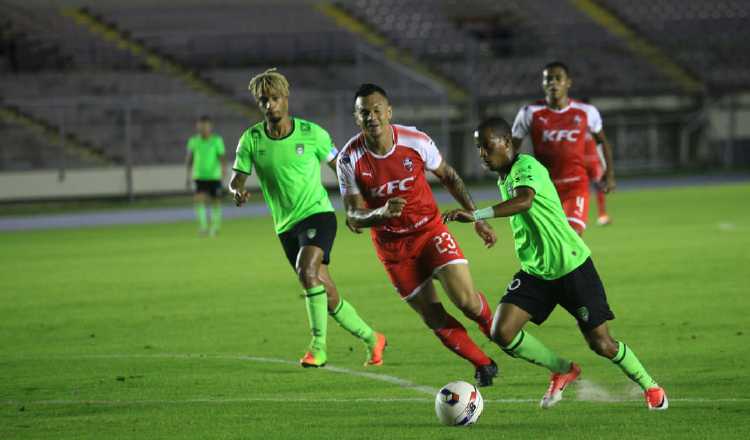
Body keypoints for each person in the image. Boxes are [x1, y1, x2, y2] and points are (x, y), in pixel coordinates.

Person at [444, 117, 667, 410]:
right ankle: (562, 369)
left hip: (571, 267)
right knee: (502, 331)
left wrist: (476, 215)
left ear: (507, 143)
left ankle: (651, 387)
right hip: (537, 272)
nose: (482, 154)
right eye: (478, 148)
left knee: (602, 344)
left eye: (487, 146)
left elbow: (524, 201)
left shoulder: (526, 167)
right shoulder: (504, 177)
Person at [337, 83, 499, 386]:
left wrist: (477, 218)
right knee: (432, 316)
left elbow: (449, 176)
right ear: (356, 118)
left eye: (376, 110)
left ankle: (498, 331)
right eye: (364, 112)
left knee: (466, 301)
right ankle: (483, 363)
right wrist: (380, 214)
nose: (371, 117)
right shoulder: (349, 159)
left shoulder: (415, 140)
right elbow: (353, 216)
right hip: (394, 250)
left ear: (389, 112)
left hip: (429, 231)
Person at [229, 69, 386, 368]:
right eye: (264, 100)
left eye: (275, 98)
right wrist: (236, 190)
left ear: (286, 98)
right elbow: (236, 178)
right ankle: (371, 338)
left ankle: (319, 347)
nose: (270, 105)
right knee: (326, 292)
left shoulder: (312, 133)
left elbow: (343, 166)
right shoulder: (250, 140)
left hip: (318, 214)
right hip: (285, 226)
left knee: (306, 267)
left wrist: (359, 204)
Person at [511, 61, 616, 235]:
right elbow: (512, 148)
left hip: (575, 185)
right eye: (548, 79)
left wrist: (609, 173)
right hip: (543, 188)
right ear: (543, 83)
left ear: (568, 82)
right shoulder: (529, 112)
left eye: (558, 78)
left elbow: (602, 142)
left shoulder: (586, 111)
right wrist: (512, 178)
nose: (553, 82)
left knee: (572, 235)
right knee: (547, 242)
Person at [186, 115, 226, 235]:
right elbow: (190, 159)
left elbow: (221, 157)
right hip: (199, 176)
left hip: (214, 176)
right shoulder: (193, 141)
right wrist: (188, 175)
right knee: (198, 200)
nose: (203, 129)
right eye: (201, 126)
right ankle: (203, 227)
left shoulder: (217, 140)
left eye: (206, 126)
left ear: (210, 127)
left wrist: (224, 170)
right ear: (198, 127)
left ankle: (215, 226)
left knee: (216, 201)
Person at [583, 130, 611, 226]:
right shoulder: (575, 126)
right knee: (582, 190)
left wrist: (603, 164)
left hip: (593, 162)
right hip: (582, 162)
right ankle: (581, 217)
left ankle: (602, 215)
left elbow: (600, 146)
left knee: (599, 187)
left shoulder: (594, 129)